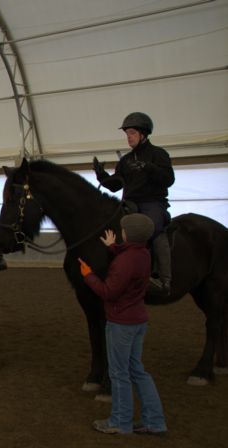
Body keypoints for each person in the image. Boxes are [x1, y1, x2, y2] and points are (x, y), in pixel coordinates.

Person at [78, 214, 167, 436]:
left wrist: (88, 276)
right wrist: (114, 248)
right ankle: (155, 421)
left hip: (121, 323)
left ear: (129, 234)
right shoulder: (143, 254)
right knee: (138, 371)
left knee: (118, 373)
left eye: (123, 230)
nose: (121, 231)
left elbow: (108, 292)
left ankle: (120, 421)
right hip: (138, 320)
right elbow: (129, 259)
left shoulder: (124, 261)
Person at [92, 112, 175, 295]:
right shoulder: (125, 161)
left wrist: (149, 168)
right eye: (127, 134)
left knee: (152, 228)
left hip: (153, 203)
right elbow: (115, 186)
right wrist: (101, 175)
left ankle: (164, 278)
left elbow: (169, 179)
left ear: (143, 134)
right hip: (130, 203)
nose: (128, 137)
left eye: (132, 133)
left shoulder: (159, 154)